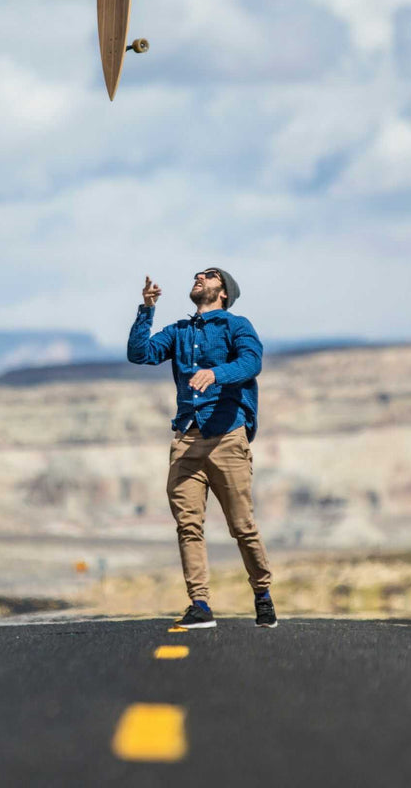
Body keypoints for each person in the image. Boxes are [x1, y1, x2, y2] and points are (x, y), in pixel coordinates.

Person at [127, 267, 277, 629]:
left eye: (209, 276)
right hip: (187, 439)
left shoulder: (236, 325)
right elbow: (140, 354)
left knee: (242, 526)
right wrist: (146, 310)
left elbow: (251, 361)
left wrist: (217, 373)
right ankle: (200, 605)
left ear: (223, 292)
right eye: (197, 275)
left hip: (227, 435)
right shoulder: (179, 331)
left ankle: (262, 592)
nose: (199, 277)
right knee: (188, 525)